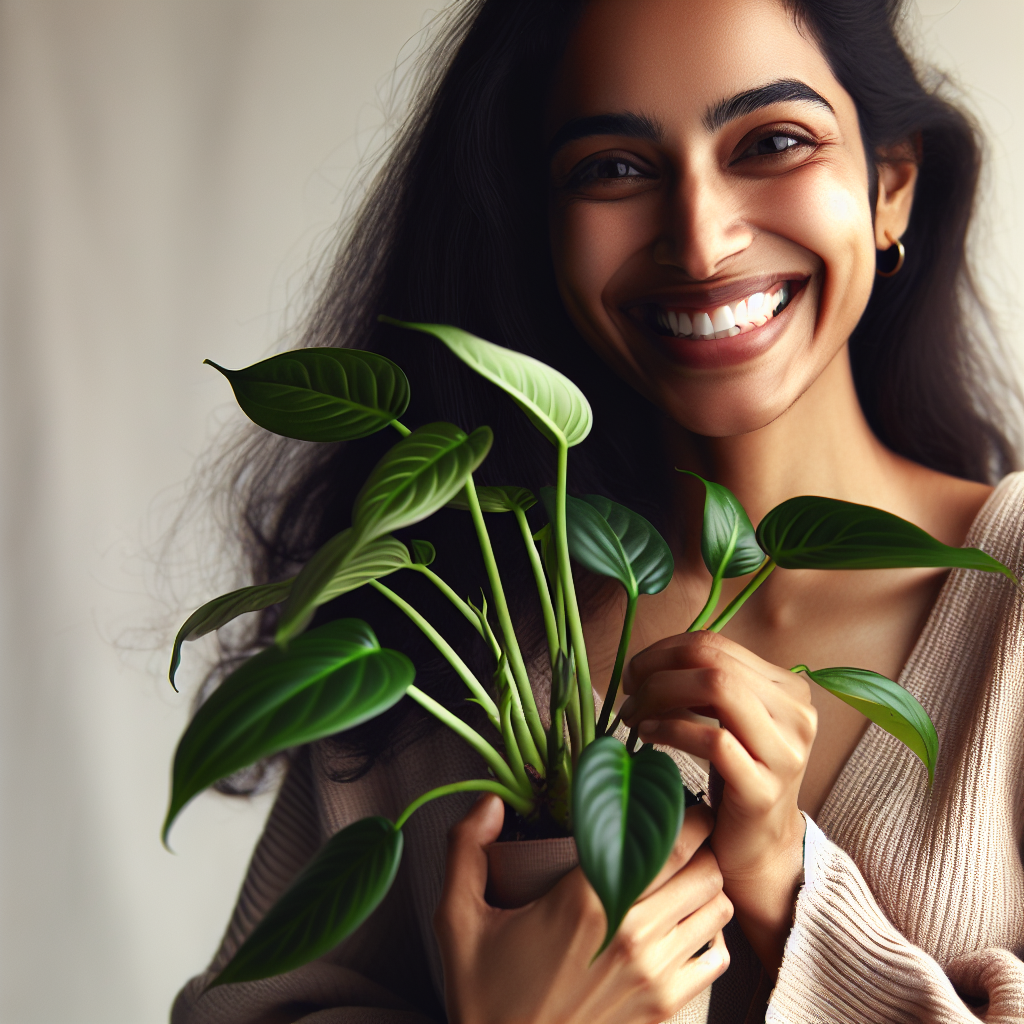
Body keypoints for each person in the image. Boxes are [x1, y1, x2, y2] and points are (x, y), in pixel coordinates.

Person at [173, 1, 1024, 1021]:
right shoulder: (450, 627)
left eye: (773, 142)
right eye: (612, 167)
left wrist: (791, 894)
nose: (701, 241)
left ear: (891, 184)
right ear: (540, 222)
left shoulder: (1007, 600)